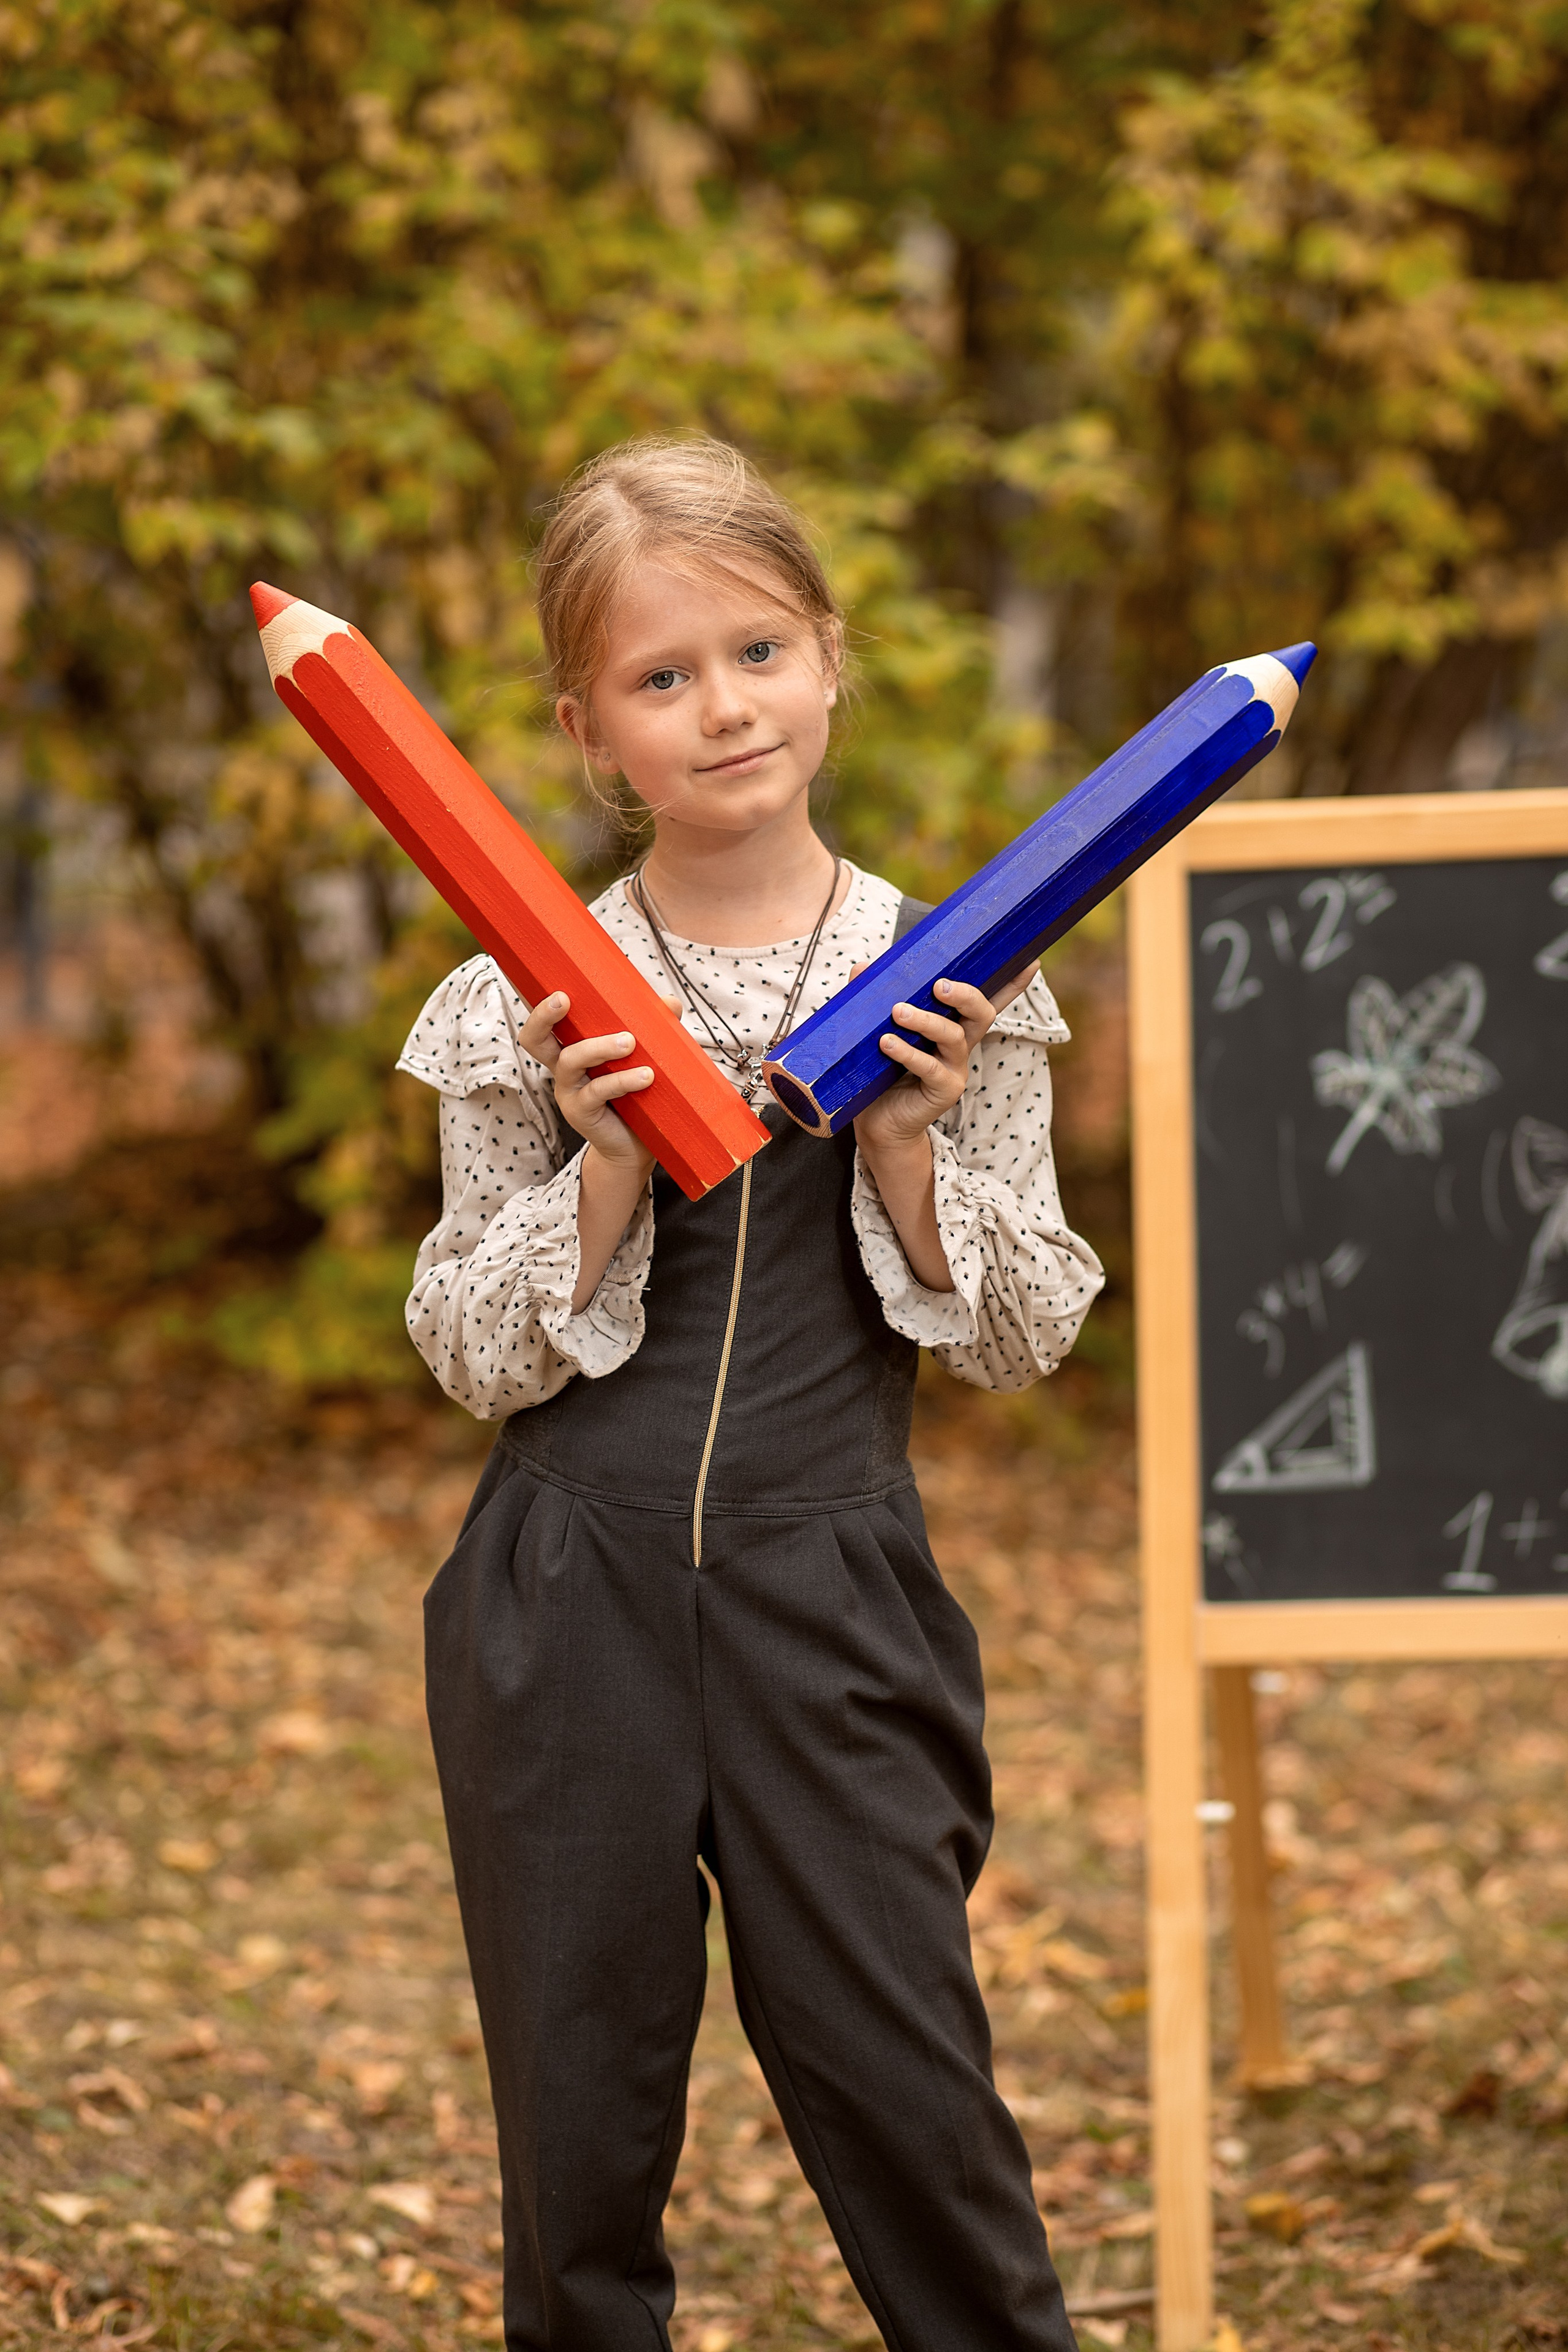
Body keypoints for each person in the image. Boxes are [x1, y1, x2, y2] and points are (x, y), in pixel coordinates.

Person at [397, 436, 1103, 2352]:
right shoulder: (533, 994)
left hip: (832, 1594)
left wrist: (907, 1155)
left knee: (918, 2109)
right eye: (661, 676)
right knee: (580, 2134)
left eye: (758, 650)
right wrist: (598, 1164)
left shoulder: (957, 976)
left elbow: (1028, 1332)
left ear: (831, 656)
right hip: (567, 1603)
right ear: (588, 728)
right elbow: (469, 1346)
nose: (724, 706)